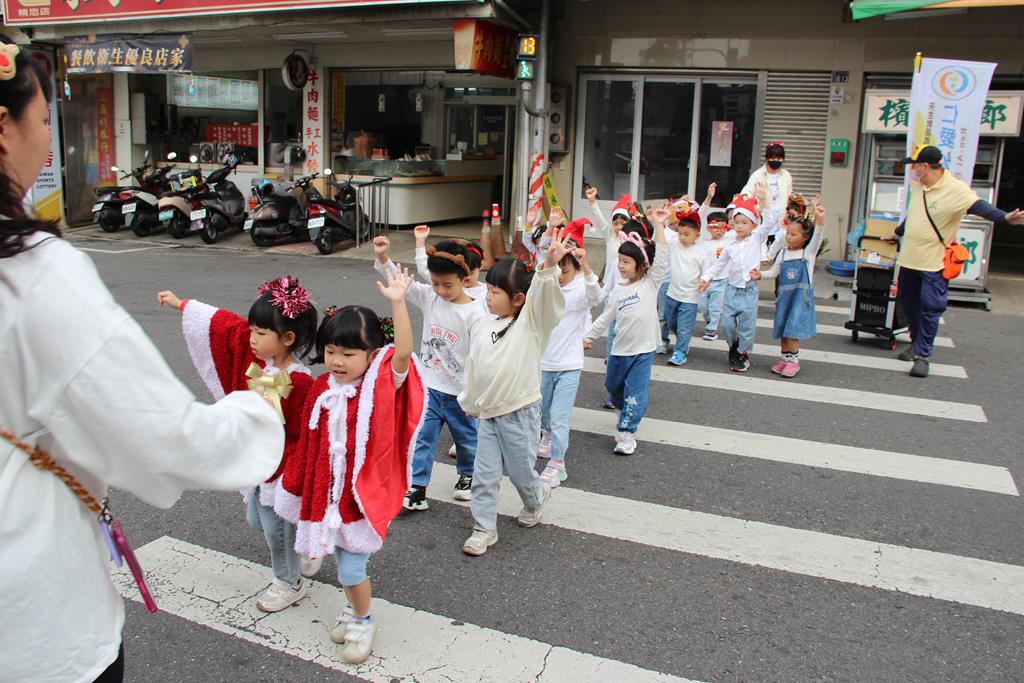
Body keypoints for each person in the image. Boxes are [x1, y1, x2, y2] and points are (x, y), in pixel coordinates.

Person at [0, 40, 285, 683]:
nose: (47, 139)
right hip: (32, 622)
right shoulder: (33, 275)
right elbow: (161, 437)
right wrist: (259, 414)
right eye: (43, 119)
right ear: (4, 127)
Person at [274, 268, 425, 664]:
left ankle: (363, 618)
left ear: (373, 355)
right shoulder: (323, 388)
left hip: (357, 499)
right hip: (328, 495)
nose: (336, 361)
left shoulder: (380, 385)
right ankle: (352, 608)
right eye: (330, 351)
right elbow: (310, 443)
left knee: (351, 569)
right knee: (343, 563)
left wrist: (398, 302)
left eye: (348, 353)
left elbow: (403, 354)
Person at [156, 276, 320, 610]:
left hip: (281, 468)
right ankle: (303, 545)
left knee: (274, 527)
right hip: (258, 461)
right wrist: (181, 304)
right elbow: (225, 325)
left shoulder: (299, 381)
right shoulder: (262, 361)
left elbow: (300, 431)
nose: (251, 338)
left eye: (260, 333)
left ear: (287, 338)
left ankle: (289, 581)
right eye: (252, 331)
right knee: (256, 519)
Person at [458, 233, 569, 556]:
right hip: (489, 414)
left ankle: (535, 499)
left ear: (518, 298)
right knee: (484, 474)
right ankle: (483, 528)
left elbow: (546, 305)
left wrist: (548, 268)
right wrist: (470, 403)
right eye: (488, 290)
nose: (488, 297)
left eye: (495, 292)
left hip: (520, 412)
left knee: (521, 472)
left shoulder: (531, 324)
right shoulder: (486, 327)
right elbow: (475, 369)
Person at [886, 144, 1024, 378]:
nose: (911, 170)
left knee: (930, 309)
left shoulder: (955, 190)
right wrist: (897, 233)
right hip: (909, 260)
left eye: (914, 165)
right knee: (909, 306)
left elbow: (981, 207)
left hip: (934, 264)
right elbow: (915, 215)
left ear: (925, 166)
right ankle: (915, 343)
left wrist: (1005, 217)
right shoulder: (919, 186)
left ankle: (923, 357)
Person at [373, 236, 485, 509]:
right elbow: (400, 284)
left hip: (460, 392)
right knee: (422, 437)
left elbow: (480, 358)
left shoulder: (475, 312)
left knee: (467, 439)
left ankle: (468, 475)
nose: (441, 290)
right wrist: (383, 258)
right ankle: (417, 486)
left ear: (465, 280)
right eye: (435, 283)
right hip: (429, 387)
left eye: (448, 285)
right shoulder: (430, 298)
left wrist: (476, 394)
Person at [583, 210, 670, 456]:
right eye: (620, 260)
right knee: (614, 386)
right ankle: (623, 411)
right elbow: (605, 318)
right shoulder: (618, 291)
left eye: (626, 262)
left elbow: (662, 257)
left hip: (643, 350)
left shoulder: (650, 283)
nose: (621, 266)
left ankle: (626, 433)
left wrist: (659, 225)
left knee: (635, 392)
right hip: (619, 351)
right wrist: (588, 336)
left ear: (642, 265)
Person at [537, 219, 603, 487]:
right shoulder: (548, 284)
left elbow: (596, 297)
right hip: (544, 363)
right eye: (557, 269)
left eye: (564, 270)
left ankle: (557, 464)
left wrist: (586, 266)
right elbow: (540, 270)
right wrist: (550, 256)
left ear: (574, 268)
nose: (560, 275)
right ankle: (546, 435)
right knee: (543, 413)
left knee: (559, 416)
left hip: (569, 365)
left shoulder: (580, 289)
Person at [699, 193, 777, 372]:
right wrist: (706, 278)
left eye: (744, 222)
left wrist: (764, 200)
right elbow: (718, 265)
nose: (740, 226)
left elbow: (770, 221)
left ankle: (742, 354)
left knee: (747, 327)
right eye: (737, 222)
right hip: (731, 290)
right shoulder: (730, 245)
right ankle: (733, 345)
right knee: (726, 325)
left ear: (754, 225)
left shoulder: (756, 238)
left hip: (749, 290)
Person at [757, 196, 827, 377]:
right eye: (787, 233)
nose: (788, 237)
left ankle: (793, 361)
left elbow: (818, 235)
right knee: (783, 329)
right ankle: (784, 358)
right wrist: (760, 275)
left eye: (793, 234)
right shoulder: (782, 253)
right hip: (784, 298)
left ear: (805, 237)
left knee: (793, 330)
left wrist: (819, 217)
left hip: (800, 299)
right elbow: (774, 272)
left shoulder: (808, 253)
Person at [585, 187, 632, 409]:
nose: (619, 224)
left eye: (623, 221)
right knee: (612, 330)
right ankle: (612, 358)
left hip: (630, 296)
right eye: (616, 220)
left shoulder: (633, 242)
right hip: (612, 291)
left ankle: (621, 361)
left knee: (623, 332)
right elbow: (600, 220)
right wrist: (593, 201)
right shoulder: (609, 236)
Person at [664, 208, 712, 366]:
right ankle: (682, 341)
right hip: (672, 293)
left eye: (687, 234)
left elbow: (707, 272)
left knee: (684, 327)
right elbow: (661, 238)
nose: (683, 238)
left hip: (690, 297)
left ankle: (680, 351)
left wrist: (704, 282)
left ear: (697, 235)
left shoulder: (701, 253)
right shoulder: (674, 244)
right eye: (680, 234)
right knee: (671, 322)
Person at [742, 142, 792, 245]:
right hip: (762, 221)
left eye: (779, 158)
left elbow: (790, 196)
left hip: (780, 220)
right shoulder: (757, 175)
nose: (776, 161)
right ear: (767, 158)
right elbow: (746, 195)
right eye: (773, 158)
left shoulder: (786, 175)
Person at [698, 209, 734, 341]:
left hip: (721, 280)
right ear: (708, 227)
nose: (719, 231)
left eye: (722, 227)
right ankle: (710, 321)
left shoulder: (729, 241)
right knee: (702, 306)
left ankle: (712, 329)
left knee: (715, 306)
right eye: (715, 227)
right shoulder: (703, 243)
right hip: (705, 281)